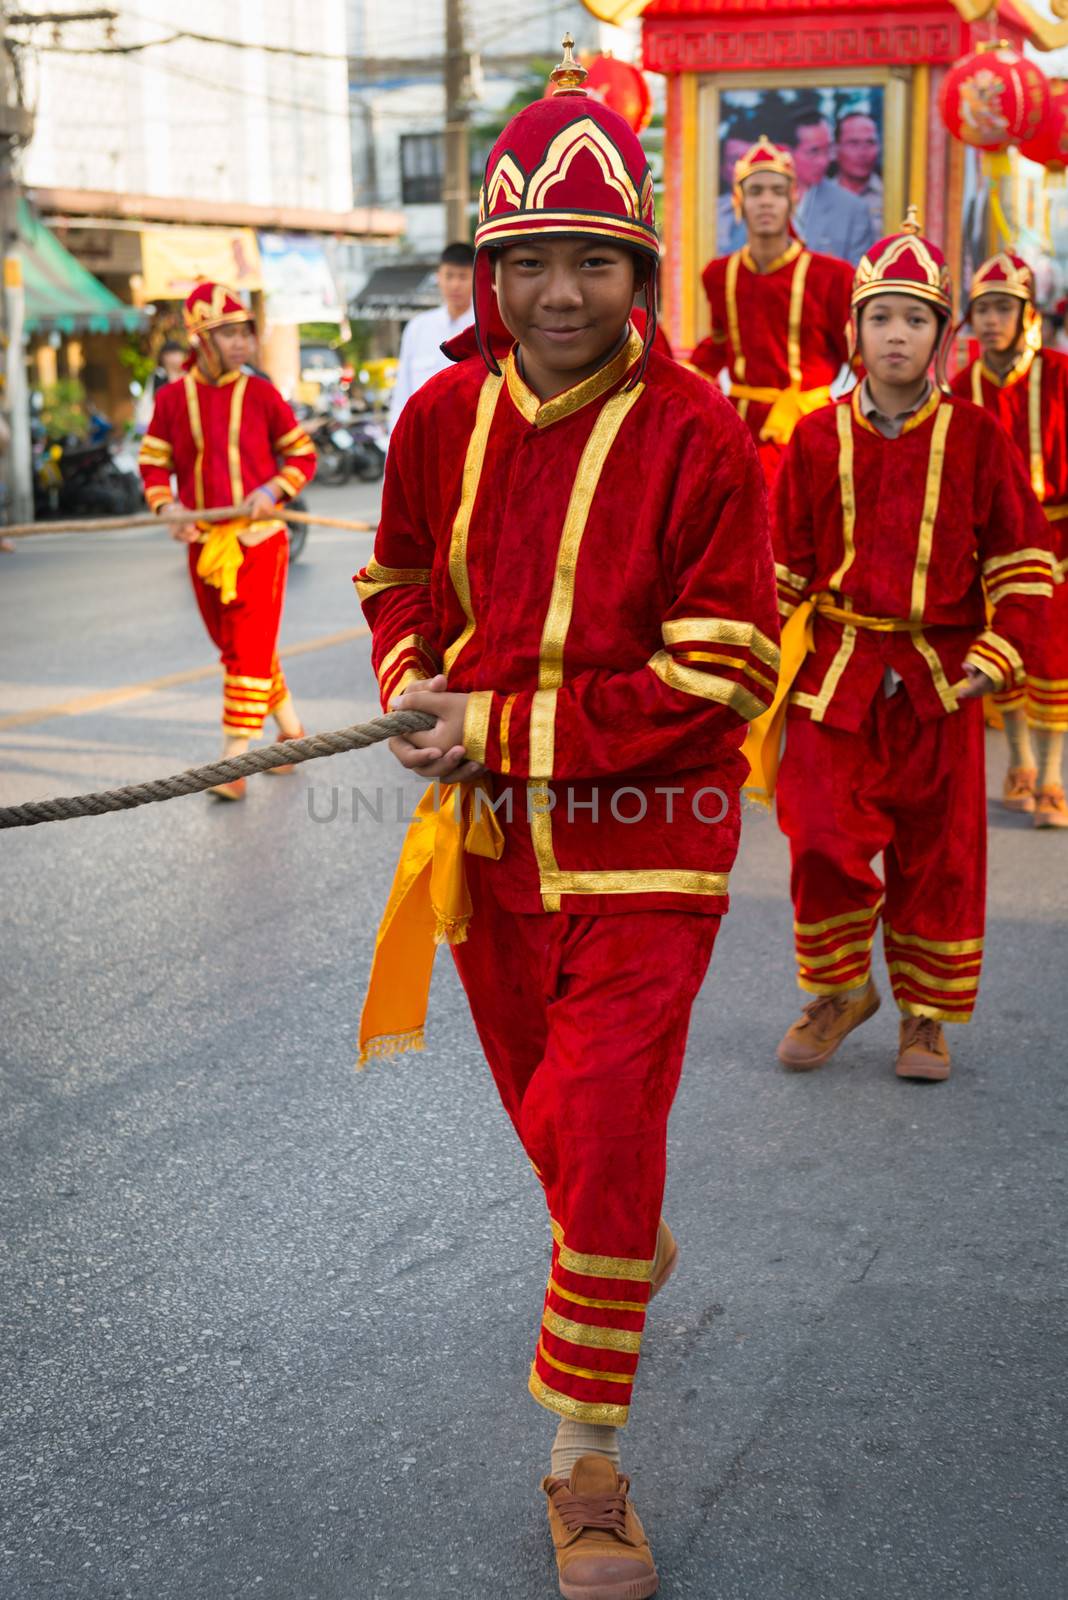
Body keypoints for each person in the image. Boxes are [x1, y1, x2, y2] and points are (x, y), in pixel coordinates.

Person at [354, 38, 778, 1600]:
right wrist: (412, 681)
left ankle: (584, 1459)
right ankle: (621, 1245)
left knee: (598, 1125)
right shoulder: (437, 422)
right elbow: (399, 579)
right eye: (530, 262)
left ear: (638, 270)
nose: (559, 296)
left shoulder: (703, 438)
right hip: (489, 856)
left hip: (653, 843)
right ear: (489, 268)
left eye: (593, 263)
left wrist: (502, 725)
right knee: (560, 1136)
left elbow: (721, 670)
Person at [755, 211, 1052, 1083]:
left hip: (941, 678)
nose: (897, 334)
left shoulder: (978, 437)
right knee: (816, 836)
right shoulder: (814, 436)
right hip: (839, 672)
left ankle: (925, 1015)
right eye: (881, 316)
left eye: (915, 319)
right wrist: (744, 657)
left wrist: (995, 657)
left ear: (940, 338)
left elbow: (1024, 561)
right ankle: (842, 991)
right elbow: (783, 566)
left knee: (942, 852)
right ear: (855, 331)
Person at [138, 282, 317, 800]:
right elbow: (153, 463)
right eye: (229, 334)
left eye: (245, 333)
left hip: (260, 541)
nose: (242, 343)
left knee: (246, 649)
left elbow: (302, 455)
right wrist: (168, 507)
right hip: (205, 545)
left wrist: (271, 490)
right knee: (241, 649)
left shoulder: (262, 394)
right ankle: (291, 733)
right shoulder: (172, 399)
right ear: (201, 340)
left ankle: (233, 761)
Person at [950, 251, 1068, 827]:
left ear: (1026, 314)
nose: (992, 319)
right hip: (992, 546)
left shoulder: (1062, 374)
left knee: (1055, 659)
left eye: (1003, 308)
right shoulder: (961, 384)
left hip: (1059, 535)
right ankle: (1019, 762)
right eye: (983, 310)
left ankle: (1052, 777)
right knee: (1009, 654)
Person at [690, 134, 854, 484]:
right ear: (739, 200)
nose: (766, 202)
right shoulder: (719, 275)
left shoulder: (831, 276)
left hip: (809, 426)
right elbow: (719, 346)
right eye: (756, 191)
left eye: (777, 192)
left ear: (793, 199)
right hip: (739, 427)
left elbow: (857, 357)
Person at [386, 240, 475, 432]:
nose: (455, 284)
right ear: (438, 277)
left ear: (477, 277)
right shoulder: (417, 328)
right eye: (449, 276)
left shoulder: (487, 327)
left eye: (463, 276)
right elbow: (402, 394)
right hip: (424, 439)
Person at [789, 108, 876, 264]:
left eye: (827, 150)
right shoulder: (762, 201)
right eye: (814, 151)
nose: (824, 161)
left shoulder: (853, 209)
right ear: (788, 152)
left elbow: (859, 279)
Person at [834, 110, 883, 238]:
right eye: (853, 143)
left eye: (869, 143)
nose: (862, 153)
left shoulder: (891, 196)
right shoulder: (818, 197)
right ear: (836, 148)